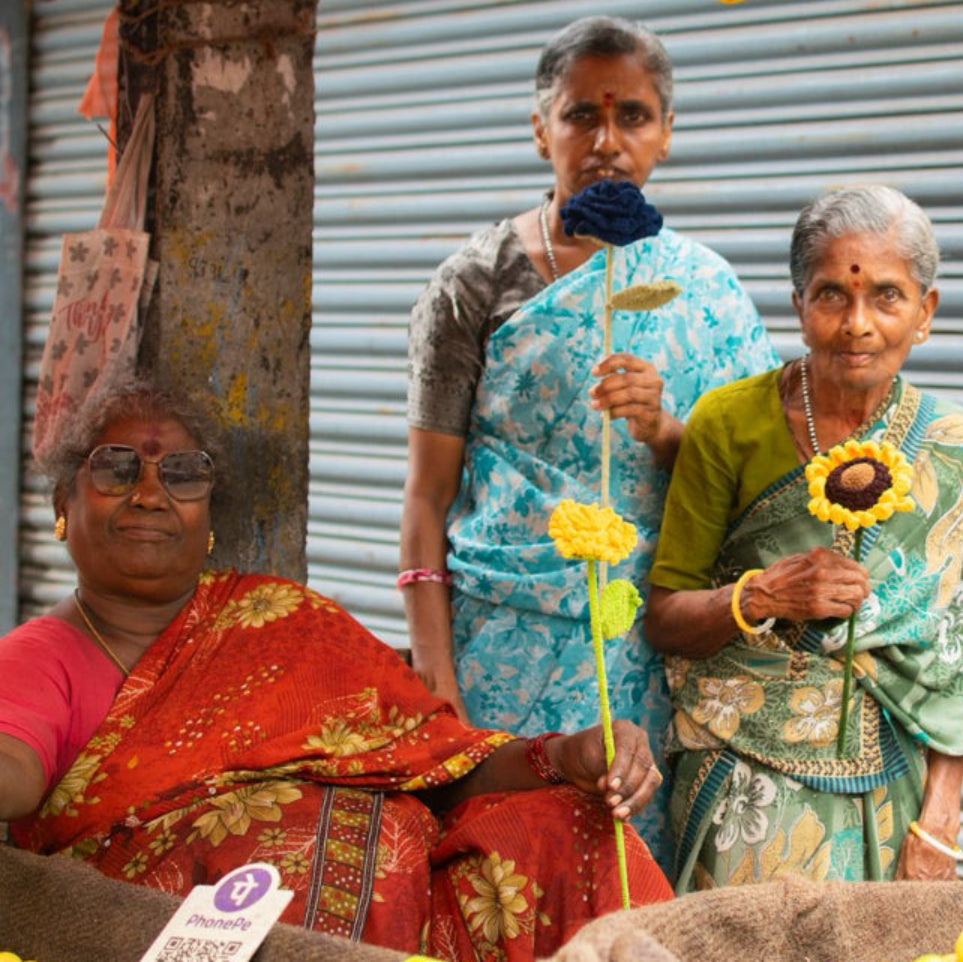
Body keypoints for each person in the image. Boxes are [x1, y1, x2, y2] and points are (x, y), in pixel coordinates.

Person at [0, 379, 672, 962]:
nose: (150, 494)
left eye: (181, 474)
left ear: (208, 517)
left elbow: (442, 767)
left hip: (408, 915)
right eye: (117, 469)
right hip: (192, 931)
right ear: (63, 503)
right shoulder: (42, 654)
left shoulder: (284, 620)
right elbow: (14, 770)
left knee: (570, 825)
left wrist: (567, 755)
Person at [401, 14, 778, 875]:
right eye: (580, 116)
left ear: (665, 132)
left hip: (651, 648)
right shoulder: (474, 282)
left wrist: (664, 431)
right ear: (542, 130)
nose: (606, 141)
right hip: (502, 646)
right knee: (503, 876)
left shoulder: (707, 290)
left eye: (632, 116)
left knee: (631, 878)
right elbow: (425, 495)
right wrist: (436, 684)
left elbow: (756, 492)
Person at [644, 184, 963, 892]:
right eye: (830, 295)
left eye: (886, 296)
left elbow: (956, 660)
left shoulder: (951, 449)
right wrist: (759, 596)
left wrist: (940, 827)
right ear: (797, 304)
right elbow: (664, 617)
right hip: (741, 773)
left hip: (898, 787)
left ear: (925, 312)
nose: (857, 324)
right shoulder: (727, 423)